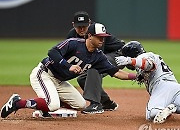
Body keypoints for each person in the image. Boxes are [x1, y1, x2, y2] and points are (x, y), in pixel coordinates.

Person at [1, 23, 136, 119]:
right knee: (52, 105)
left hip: (59, 81)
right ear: (89, 36)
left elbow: (116, 72)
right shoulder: (74, 43)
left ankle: (45, 105)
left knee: (81, 104)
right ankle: (17, 102)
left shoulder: (98, 56)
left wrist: (136, 77)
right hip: (44, 74)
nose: (102, 39)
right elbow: (52, 52)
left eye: (104, 37)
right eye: (99, 36)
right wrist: (68, 66)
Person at [67, 11, 125, 114]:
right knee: (82, 79)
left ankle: (95, 104)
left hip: (118, 55)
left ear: (89, 23)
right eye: (78, 26)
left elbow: (96, 57)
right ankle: (107, 103)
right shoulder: (72, 34)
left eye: (84, 26)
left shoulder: (96, 31)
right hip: (104, 57)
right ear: (73, 25)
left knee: (94, 67)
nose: (81, 29)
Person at [115, 41, 180, 123]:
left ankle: (167, 108)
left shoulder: (143, 56)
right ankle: (173, 107)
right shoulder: (151, 56)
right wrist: (138, 76)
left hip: (161, 87)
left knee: (152, 114)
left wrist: (130, 60)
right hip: (175, 86)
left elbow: (150, 65)